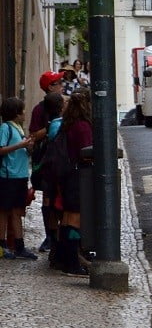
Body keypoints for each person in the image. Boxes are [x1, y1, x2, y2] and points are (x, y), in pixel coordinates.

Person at [51, 89, 93, 276]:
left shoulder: (68, 124)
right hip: (78, 176)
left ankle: (65, 259)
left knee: (67, 218)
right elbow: (86, 153)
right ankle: (72, 263)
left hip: (67, 175)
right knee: (74, 219)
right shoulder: (82, 126)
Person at [0, 97, 38, 259]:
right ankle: (2, 244)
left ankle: (19, 244)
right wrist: (20, 145)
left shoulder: (18, 128)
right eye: (22, 110)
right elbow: (1, 149)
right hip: (8, 176)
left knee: (17, 211)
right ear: (15, 113)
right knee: (4, 211)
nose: (24, 113)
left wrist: (28, 146)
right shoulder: (5, 128)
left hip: (21, 175)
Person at [29, 91, 64, 255]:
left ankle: (53, 238)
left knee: (49, 201)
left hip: (48, 168)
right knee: (53, 202)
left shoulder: (54, 123)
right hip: (53, 169)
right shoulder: (57, 124)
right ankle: (54, 238)